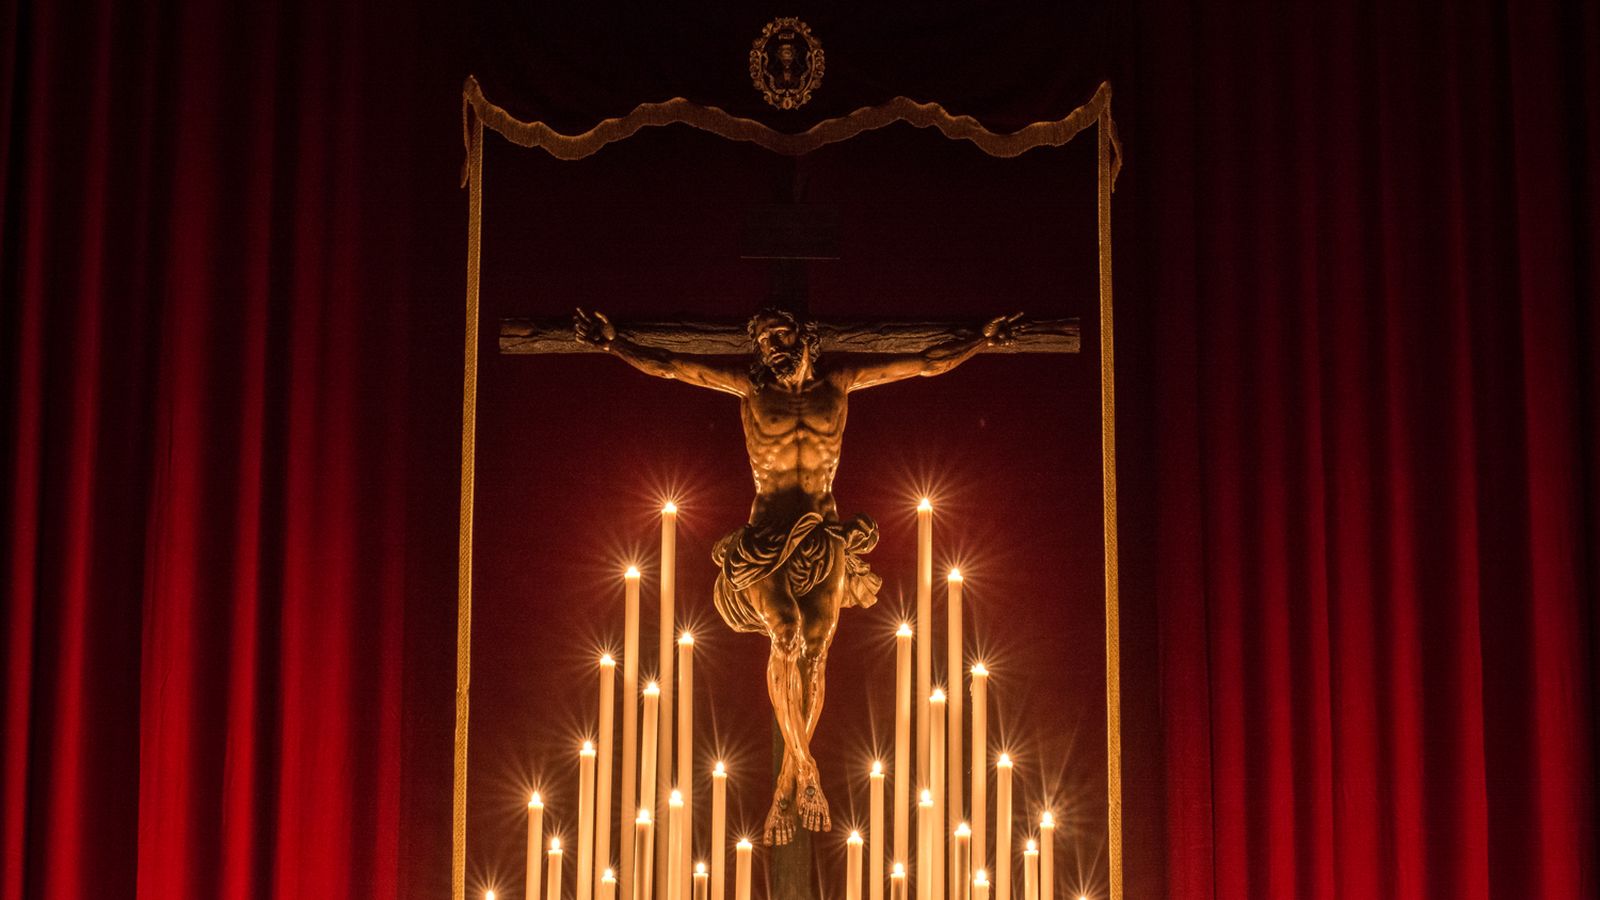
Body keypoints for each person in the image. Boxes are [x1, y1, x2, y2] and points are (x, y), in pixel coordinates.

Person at [575, 306, 1023, 845]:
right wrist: (614, 343)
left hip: (823, 532)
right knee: (783, 634)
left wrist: (978, 341)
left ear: (806, 336)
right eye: (762, 340)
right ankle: (806, 769)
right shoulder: (748, 389)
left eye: (778, 335)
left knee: (815, 648)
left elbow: (924, 363)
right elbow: (674, 365)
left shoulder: (841, 384)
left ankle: (787, 779)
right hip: (765, 534)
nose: (769, 347)